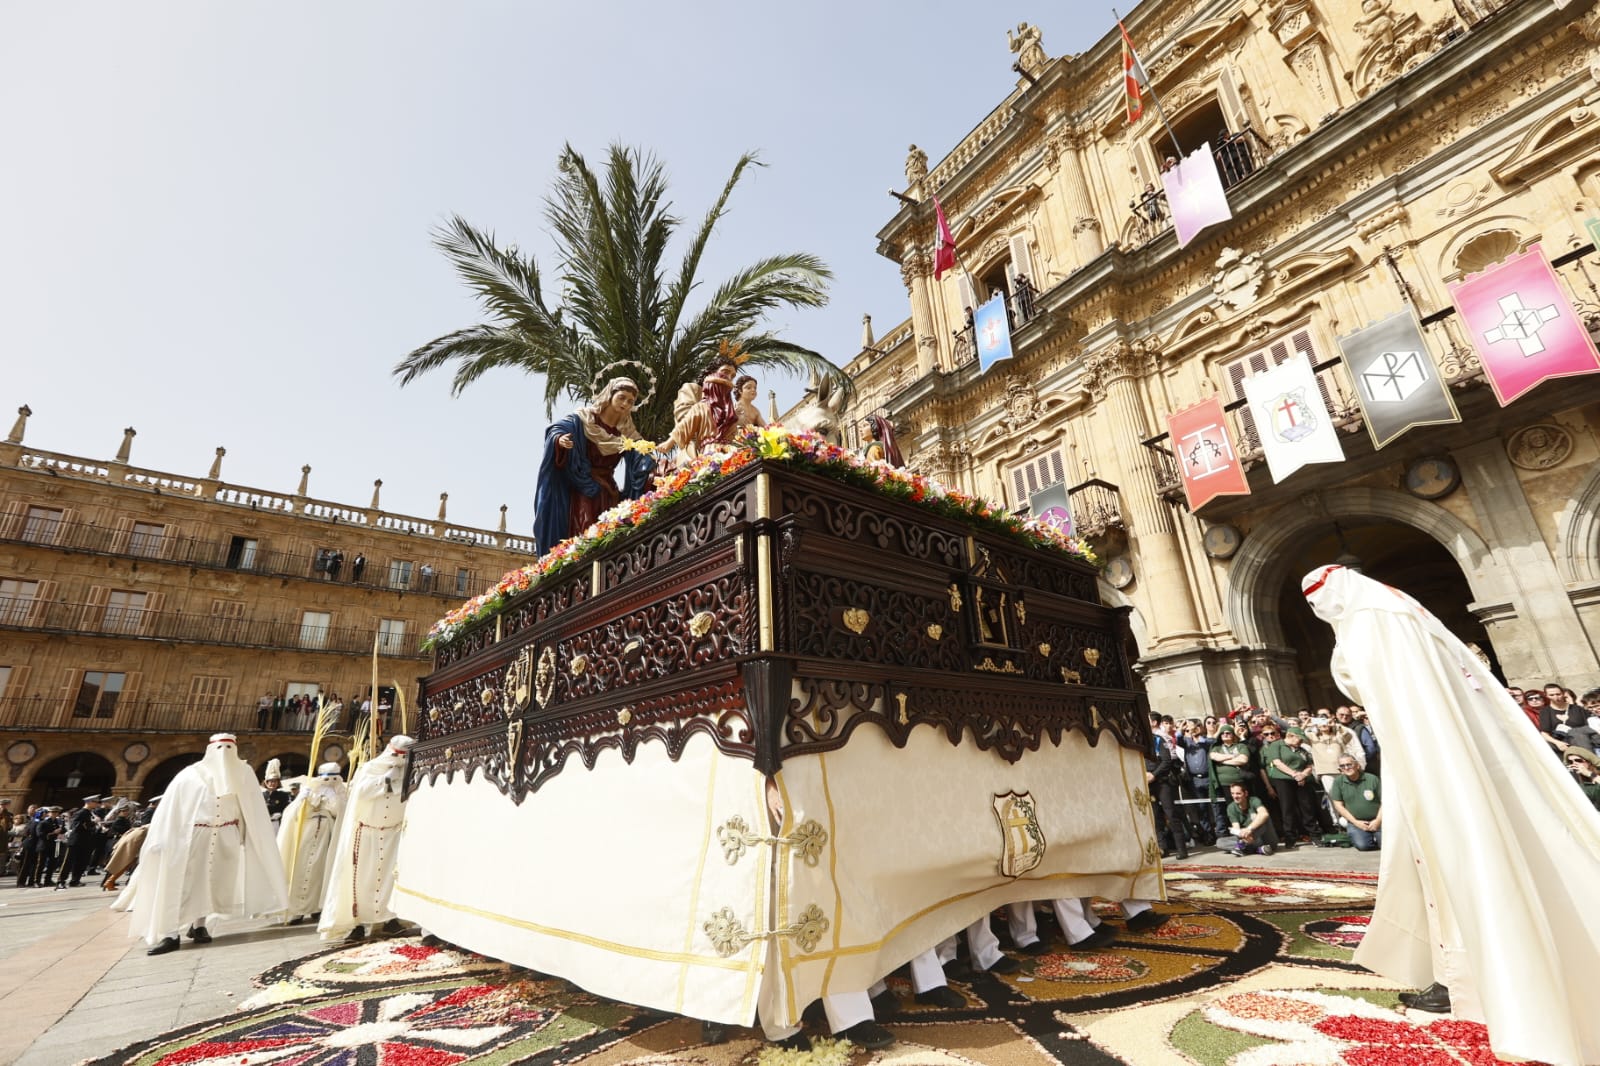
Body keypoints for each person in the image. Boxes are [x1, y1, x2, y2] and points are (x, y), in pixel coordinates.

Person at [1301, 563, 1600, 1063]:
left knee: (1458, 861)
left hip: (1432, 759)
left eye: (1317, 600)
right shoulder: (1404, 612)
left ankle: (1484, 983)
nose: (1318, 610)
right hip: (1455, 753)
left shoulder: (1371, 621)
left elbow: (1361, 683)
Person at [117, 734, 287, 955]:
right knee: (182, 883)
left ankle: (200, 926)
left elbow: (252, 808)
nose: (224, 752)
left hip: (226, 836)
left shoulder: (243, 774)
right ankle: (170, 933)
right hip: (192, 837)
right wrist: (161, 839)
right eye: (220, 747)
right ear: (210, 749)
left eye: (229, 747)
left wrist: (247, 836)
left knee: (213, 883)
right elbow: (171, 809)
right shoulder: (190, 775)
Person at [534, 377, 655, 555]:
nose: (625, 404)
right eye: (622, 397)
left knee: (607, 535)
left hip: (608, 492)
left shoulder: (627, 431)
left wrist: (649, 461)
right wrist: (559, 440)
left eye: (630, 401)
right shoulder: (584, 418)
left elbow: (641, 454)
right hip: (583, 487)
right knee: (584, 532)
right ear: (610, 395)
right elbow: (557, 429)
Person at [320, 736, 414, 942]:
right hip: (367, 833)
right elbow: (360, 793)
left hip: (394, 834)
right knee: (362, 880)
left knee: (391, 879)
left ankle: (390, 920)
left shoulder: (410, 770)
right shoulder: (369, 769)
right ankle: (358, 924)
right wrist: (384, 780)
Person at [278, 762, 348, 925]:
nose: (329, 781)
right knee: (300, 869)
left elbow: (340, 812)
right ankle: (296, 910)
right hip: (305, 834)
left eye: (333, 778)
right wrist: (302, 799)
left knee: (321, 872)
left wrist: (334, 797)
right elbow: (293, 814)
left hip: (326, 835)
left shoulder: (340, 791)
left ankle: (317, 907)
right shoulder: (308, 788)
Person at [666, 360, 741, 461]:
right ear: (711, 373)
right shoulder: (693, 389)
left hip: (725, 450)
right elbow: (684, 417)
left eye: (733, 376)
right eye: (725, 372)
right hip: (696, 449)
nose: (729, 378)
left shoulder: (727, 406)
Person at [1328, 756, 1383, 850]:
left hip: (1378, 820)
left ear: (1357, 765)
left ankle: (1374, 837)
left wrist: (1378, 820)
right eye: (1342, 766)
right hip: (1356, 822)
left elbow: (1385, 802)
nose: (1346, 768)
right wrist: (1356, 822)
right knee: (1363, 846)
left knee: (1387, 845)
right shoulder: (1338, 782)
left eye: (1349, 764)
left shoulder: (1372, 779)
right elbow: (1338, 805)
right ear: (1340, 769)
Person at [1225, 782, 1278, 856]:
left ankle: (1245, 848)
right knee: (1220, 842)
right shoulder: (1231, 807)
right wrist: (1240, 833)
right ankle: (1259, 849)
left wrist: (1249, 829)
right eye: (1232, 793)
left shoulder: (1254, 800)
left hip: (1266, 838)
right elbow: (1236, 827)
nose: (1235, 796)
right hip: (1249, 839)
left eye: (1238, 793)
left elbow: (1264, 814)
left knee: (1264, 819)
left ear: (1245, 793)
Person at [1567, 747, 1600, 811]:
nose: (1574, 763)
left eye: (1578, 760)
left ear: (1588, 762)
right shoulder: (1576, 779)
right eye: (1570, 762)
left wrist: (1589, 773)